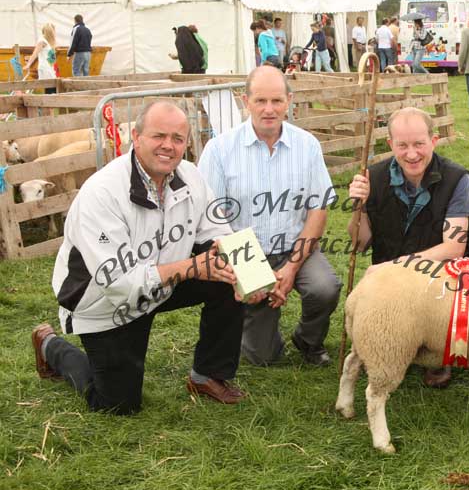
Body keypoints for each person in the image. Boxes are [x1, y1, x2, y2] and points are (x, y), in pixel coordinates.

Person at [31, 101, 263, 415]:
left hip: (162, 282)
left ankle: (208, 375)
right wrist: (192, 267)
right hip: (105, 303)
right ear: (136, 138)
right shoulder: (102, 192)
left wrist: (255, 276)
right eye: (159, 136)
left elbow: (218, 228)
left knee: (226, 271)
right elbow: (120, 284)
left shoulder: (191, 176)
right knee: (117, 404)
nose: (169, 145)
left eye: (178, 139)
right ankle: (50, 346)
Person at [198, 66, 342, 367]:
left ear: (289, 100)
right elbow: (213, 219)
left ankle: (308, 339)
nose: (269, 109)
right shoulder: (219, 150)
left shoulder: (307, 145)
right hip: (246, 252)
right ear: (245, 100)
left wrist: (290, 268)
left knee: (325, 287)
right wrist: (249, 275)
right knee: (261, 357)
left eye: (277, 101)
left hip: (295, 246)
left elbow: (318, 209)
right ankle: (260, 325)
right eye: (260, 101)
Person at [347, 107, 469, 389]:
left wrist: (394, 267)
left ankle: (438, 353)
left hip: (442, 275)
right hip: (393, 277)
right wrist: (359, 206)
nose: (411, 154)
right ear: (390, 144)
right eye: (402, 145)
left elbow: (453, 248)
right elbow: (359, 242)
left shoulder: (457, 179)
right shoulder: (373, 177)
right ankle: (398, 343)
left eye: (419, 144)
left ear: (433, 141)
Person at [23, 23, 58, 94]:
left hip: (50, 68)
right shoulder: (42, 41)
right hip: (45, 68)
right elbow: (35, 53)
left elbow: (51, 57)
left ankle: (50, 103)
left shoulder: (48, 41)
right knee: (50, 88)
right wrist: (28, 64)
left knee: (52, 88)